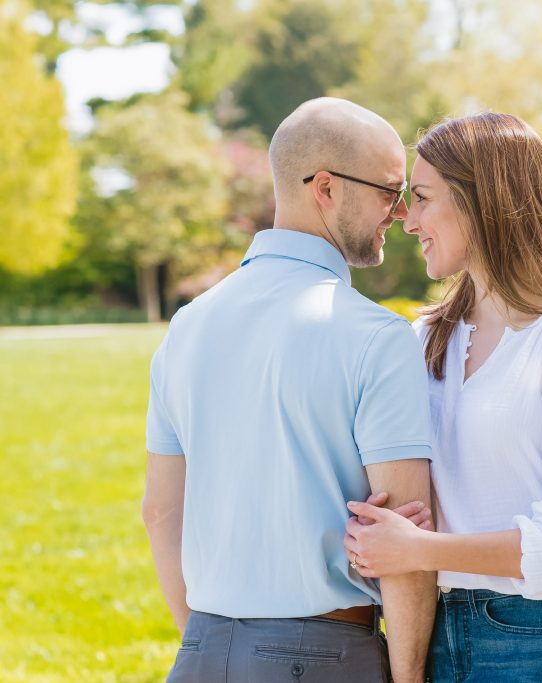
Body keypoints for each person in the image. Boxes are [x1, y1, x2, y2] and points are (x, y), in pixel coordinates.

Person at [142, 97, 437, 683]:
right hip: (325, 656)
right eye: (389, 190)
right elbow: (406, 544)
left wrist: (208, 646)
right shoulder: (375, 335)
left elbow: (159, 512)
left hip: (202, 651)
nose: (400, 214)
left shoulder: (187, 326)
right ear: (325, 187)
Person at [343, 112, 542, 682]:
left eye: (422, 198)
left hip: (541, 638)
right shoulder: (423, 339)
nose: (407, 220)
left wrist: (420, 550)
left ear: (482, 204)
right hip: (432, 630)